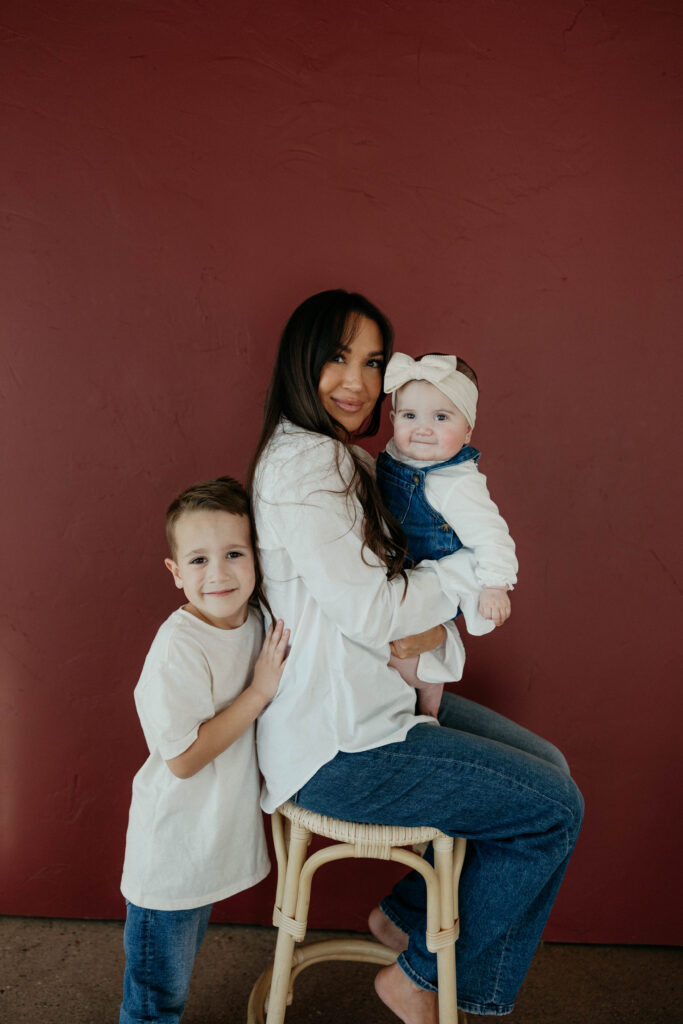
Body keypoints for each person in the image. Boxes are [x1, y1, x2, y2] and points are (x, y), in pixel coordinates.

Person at [248, 290, 583, 1023]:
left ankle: (405, 918)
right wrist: (466, 581)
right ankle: (422, 979)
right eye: (337, 357)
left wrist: (435, 613)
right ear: (300, 361)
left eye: (372, 363)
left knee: (549, 772)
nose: (357, 382)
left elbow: (398, 590)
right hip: (339, 744)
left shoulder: (342, 458)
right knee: (554, 809)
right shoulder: (306, 471)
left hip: (376, 701)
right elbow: (377, 608)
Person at [119, 477, 289, 1024]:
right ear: (175, 573)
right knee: (155, 1000)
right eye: (198, 559)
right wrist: (260, 691)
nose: (217, 573)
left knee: (174, 979)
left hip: (211, 837)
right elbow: (185, 759)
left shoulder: (258, 619)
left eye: (234, 553)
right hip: (170, 850)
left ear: (256, 558)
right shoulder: (179, 647)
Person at [376, 351, 518, 717]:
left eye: (441, 418)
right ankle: (416, 710)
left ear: (468, 429)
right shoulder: (396, 456)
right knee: (396, 651)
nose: (423, 429)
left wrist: (495, 585)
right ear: (392, 420)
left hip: (434, 573)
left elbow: (491, 534)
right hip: (398, 567)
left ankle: (427, 710)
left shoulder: (457, 482)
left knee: (414, 655)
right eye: (409, 416)